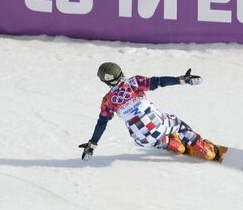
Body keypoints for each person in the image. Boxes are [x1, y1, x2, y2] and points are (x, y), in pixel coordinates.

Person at [78, 63, 219, 162]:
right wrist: (183, 80)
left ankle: (173, 145)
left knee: (151, 137)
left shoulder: (108, 100)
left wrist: (92, 145)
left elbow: (101, 123)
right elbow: (158, 82)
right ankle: (205, 150)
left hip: (141, 139)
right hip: (159, 124)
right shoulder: (134, 82)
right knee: (177, 124)